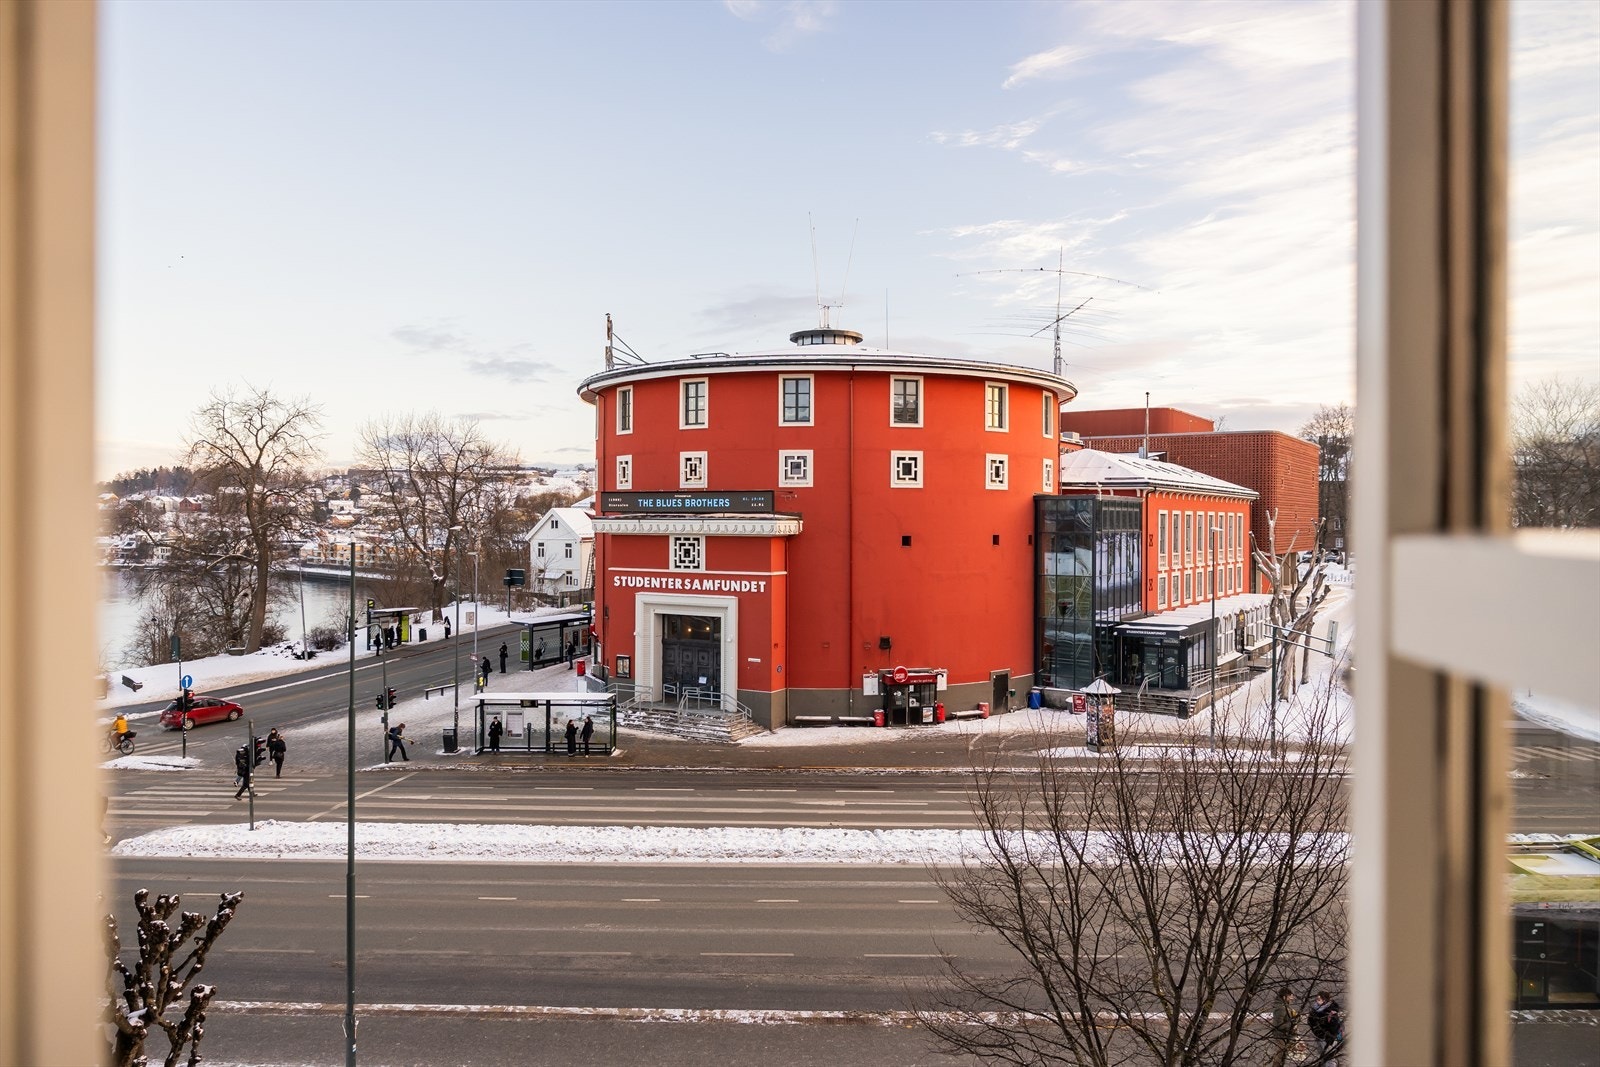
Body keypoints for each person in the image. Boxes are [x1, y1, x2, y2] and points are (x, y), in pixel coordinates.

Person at [1307, 990, 1344, 1065]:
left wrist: (1328, 1036)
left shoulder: (1330, 1011)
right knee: (1322, 1058)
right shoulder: (1315, 1010)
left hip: (1328, 1038)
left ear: (1325, 1000)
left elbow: (1334, 1026)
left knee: (1329, 1058)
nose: (1317, 1001)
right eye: (1317, 999)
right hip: (1319, 1036)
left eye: (1319, 999)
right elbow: (1310, 1021)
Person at [1269, 987, 1300, 1067]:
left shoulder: (1285, 1006)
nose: (1291, 998)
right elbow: (1278, 1025)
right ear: (1284, 997)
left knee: (1282, 1055)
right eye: (1290, 996)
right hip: (1281, 1035)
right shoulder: (1281, 1008)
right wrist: (1291, 1024)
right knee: (1280, 1055)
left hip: (1285, 1034)